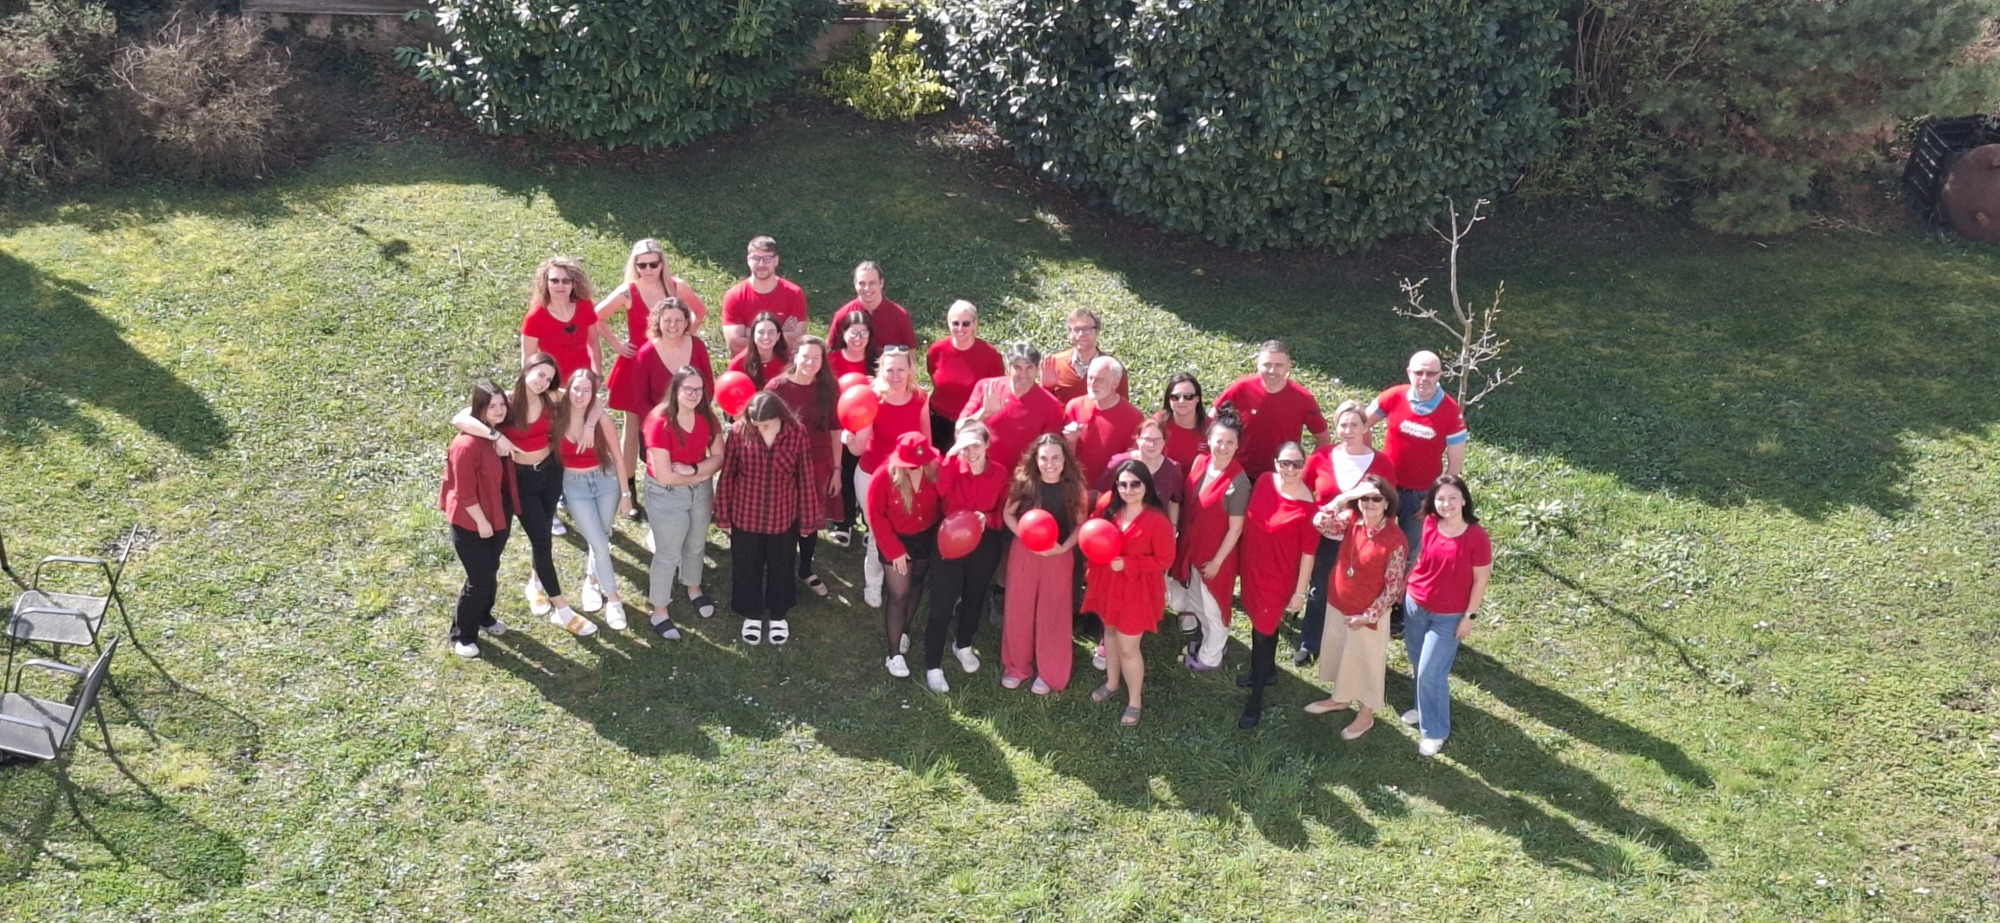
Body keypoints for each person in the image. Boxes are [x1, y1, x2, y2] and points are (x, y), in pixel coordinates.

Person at [453, 354, 594, 636]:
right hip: (521, 482)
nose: (543, 382)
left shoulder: (551, 397)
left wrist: (590, 425)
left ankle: (536, 584)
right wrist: (496, 436)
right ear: (526, 369)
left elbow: (592, 398)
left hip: (550, 474)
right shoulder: (504, 402)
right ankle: (562, 610)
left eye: (548, 378)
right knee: (542, 541)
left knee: (543, 533)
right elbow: (458, 418)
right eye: (539, 374)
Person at [1303, 474, 1407, 740]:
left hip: (1367, 614)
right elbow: (1320, 522)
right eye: (1364, 498)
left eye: (1376, 499)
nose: (1369, 503)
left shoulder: (1395, 539)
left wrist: (1368, 616)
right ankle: (1340, 698)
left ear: (1387, 503)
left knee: (1367, 663)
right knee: (1340, 653)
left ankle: (1366, 714)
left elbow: (1392, 587)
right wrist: (1344, 498)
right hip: (1339, 603)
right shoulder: (1352, 520)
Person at [713, 393, 822, 646]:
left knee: (782, 566)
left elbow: (805, 477)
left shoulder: (797, 433)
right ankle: (750, 613)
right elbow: (728, 474)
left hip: (782, 515)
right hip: (745, 513)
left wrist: (808, 519)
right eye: (756, 424)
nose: (760, 429)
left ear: (779, 416)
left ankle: (778, 614)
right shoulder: (739, 431)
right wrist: (723, 515)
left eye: (766, 425)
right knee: (745, 565)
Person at [1295, 400, 1397, 665]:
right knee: (1319, 590)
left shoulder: (1382, 463)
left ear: (1365, 427)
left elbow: (1389, 505)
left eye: (1354, 425)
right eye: (1343, 425)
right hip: (1325, 539)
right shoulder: (1322, 456)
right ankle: (1310, 643)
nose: (1348, 430)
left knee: (1354, 593)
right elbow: (1303, 491)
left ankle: (1347, 644)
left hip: (1361, 542)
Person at [603, 242, 709, 498]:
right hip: (637, 363)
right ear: (635, 266)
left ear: (662, 263)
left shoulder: (676, 286)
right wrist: (617, 345)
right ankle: (628, 486)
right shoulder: (628, 291)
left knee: (682, 419)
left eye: (653, 263)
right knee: (632, 427)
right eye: (642, 265)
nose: (648, 269)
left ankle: (679, 476)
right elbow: (594, 316)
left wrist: (684, 336)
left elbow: (700, 311)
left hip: (674, 363)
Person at [1399, 475, 1491, 757]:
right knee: (1418, 663)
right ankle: (1422, 707)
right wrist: (1405, 586)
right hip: (1416, 604)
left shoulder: (1476, 536)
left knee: (1431, 671)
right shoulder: (1429, 523)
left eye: (1453, 497)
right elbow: (1421, 559)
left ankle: (1435, 731)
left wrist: (1469, 617)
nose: (1446, 504)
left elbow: (1480, 581)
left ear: (1464, 500)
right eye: (1440, 498)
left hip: (1449, 616)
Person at [1082, 460, 1175, 727]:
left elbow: (1166, 559)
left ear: (1146, 486)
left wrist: (1129, 564)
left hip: (1137, 591)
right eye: (1123, 484)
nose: (1128, 489)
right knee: (1109, 634)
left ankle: (1135, 701)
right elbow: (1093, 534)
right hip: (1110, 585)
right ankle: (1112, 683)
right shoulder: (1111, 508)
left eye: (1135, 484)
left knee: (1128, 648)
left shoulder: (1157, 520)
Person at [1233, 441, 1319, 729]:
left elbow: (1308, 554)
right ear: (1275, 463)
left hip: (1277, 579)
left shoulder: (1308, 507)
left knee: (1262, 632)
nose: (1290, 469)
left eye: (1296, 464)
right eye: (1285, 463)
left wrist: (1299, 593)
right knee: (1260, 626)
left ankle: (1255, 699)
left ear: (1304, 466)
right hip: (1252, 570)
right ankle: (1265, 672)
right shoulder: (1265, 483)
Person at [921, 420, 1008, 692]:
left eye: (976, 445)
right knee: (942, 602)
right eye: (965, 447)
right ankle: (933, 665)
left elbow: (1004, 512)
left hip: (984, 541)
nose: (971, 453)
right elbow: (941, 491)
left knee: (975, 595)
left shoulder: (999, 473)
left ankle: (963, 643)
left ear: (987, 445)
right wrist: (951, 455)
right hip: (950, 539)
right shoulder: (953, 468)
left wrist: (987, 518)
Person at [642, 365, 725, 639]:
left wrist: (694, 470)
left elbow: (719, 457)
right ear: (675, 389)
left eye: (698, 390)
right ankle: (659, 611)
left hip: (699, 490)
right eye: (687, 388)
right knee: (668, 553)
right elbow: (665, 474)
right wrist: (700, 475)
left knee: (696, 544)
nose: (693, 394)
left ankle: (693, 587)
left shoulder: (707, 417)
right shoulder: (659, 421)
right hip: (666, 494)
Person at [1001, 434, 1087, 694]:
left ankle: (1050, 672)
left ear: (1065, 460)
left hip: (1058, 554)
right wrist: (1024, 534)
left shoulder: (1075, 488)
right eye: (1044, 458)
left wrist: (1064, 547)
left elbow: (1081, 525)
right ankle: (1017, 666)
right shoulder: (1025, 483)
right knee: (1019, 609)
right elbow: (1008, 513)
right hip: (1025, 553)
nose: (1050, 464)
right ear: (1035, 460)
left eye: (1055, 458)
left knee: (1054, 612)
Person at [439, 382, 520, 657]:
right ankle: (462, 635)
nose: (499, 411)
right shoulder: (465, 445)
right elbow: (464, 494)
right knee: (479, 577)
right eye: (491, 406)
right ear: (479, 409)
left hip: (498, 513)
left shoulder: (496, 432)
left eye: (501, 405)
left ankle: (484, 617)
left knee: (490, 569)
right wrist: (482, 522)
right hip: (472, 521)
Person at [845, 347, 931, 608]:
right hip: (872, 476)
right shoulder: (872, 399)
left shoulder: (920, 397)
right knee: (878, 532)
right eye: (889, 370)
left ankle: (897, 576)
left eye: (900, 370)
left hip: (905, 478)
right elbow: (858, 449)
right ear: (881, 370)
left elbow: (925, 442)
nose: (895, 376)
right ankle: (873, 582)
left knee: (898, 529)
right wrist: (850, 438)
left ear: (910, 370)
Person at [1368, 350, 1469, 560]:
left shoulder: (1451, 412)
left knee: (1408, 551)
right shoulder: (1394, 396)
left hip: (1420, 496)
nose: (1424, 378)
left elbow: (1455, 464)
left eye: (1431, 373)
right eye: (1419, 372)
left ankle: (1403, 582)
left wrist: (1435, 498)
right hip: (1386, 486)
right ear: (1409, 372)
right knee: (1374, 543)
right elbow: (1360, 424)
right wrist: (1369, 461)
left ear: (1440, 374)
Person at [1169, 411, 1249, 667]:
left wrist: (1217, 561)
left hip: (1215, 555)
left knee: (1215, 607)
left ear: (1237, 445)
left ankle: (1211, 657)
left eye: (1230, 442)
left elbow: (1235, 529)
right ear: (1209, 439)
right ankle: (1209, 641)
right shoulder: (1200, 462)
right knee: (1196, 599)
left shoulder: (1239, 482)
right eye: (1219, 440)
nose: (1223, 447)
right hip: (1193, 548)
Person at [765, 336, 843, 598]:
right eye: (806, 356)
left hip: (818, 465)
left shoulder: (828, 389)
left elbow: (835, 431)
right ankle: (783, 569)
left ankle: (805, 569)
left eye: (816, 358)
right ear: (795, 356)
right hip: (785, 467)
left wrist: (837, 470)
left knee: (810, 521)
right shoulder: (777, 388)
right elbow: (764, 429)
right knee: (785, 521)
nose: (810, 362)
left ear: (823, 362)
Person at [558, 368, 635, 630]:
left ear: (593, 394)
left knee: (601, 535)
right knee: (599, 543)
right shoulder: (556, 415)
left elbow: (619, 458)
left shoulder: (603, 421)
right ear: (568, 389)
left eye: (586, 391)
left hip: (605, 482)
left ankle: (591, 580)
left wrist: (625, 495)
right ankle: (613, 599)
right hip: (575, 486)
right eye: (576, 389)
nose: (580, 395)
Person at [866, 433, 942, 678]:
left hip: (926, 536)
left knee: (916, 583)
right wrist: (894, 550)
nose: (915, 468)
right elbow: (876, 516)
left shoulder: (936, 468)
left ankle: (905, 631)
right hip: (895, 538)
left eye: (919, 464)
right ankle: (893, 654)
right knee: (899, 593)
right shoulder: (883, 477)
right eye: (910, 465)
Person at [1212, 340, 1330, 477]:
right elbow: (1211, 417)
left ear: (1289, 366)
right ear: (1257, 364)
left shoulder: (1303, 398)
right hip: (1238, 472)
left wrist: (1304, 471)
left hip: (1280, 476)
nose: (1272, 371)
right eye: (1267, 364)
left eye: (1279, 365)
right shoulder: (1242, 388)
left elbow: (1323, 439)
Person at [959, 341, 1065, 474]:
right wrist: (984, 413)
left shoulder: (1051, 404)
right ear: (1008, 367)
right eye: (1017, 367)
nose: (1023, 374)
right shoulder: (986, 388)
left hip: (1022, 477)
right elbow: (960, 428)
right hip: (982, 473)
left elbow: (1050, 449)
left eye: (1029, 367)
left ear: (1037, 369)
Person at [827, 312, 880, 546]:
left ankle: (870, 524)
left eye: (863, 333)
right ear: (844, 333)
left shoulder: (878, 362)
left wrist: (878, 385)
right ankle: (844, 521)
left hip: (871, 428)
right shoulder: (831, 359)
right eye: (853, 332)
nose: (858, 338)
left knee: (869, 475)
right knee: (845, 472)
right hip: (840, 426)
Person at [1062, 356, 1146, 501]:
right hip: (1073, 493)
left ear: (1115, 383)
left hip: (1111, 497)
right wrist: (1071, 442)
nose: (1092, 384)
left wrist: (1103, 494)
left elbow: (1131, 465)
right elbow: (1060, 456)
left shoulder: (1134, 417)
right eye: (1090, 378)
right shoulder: (1074, 407)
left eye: (1099, 380)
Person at [924, 300, 1004, 449]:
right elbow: (933, 375)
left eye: (966, 324)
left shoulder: (990, 355)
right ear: (948, 323)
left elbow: (997, 392)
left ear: (975, 324)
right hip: (938, 421)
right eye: (955, 323)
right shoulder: (936, 350)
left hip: (973, 424)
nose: (960, 329)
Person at [519, 257, 612, 382]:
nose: (560, 286)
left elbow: (593, 343)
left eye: (566, 281)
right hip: (552, 384)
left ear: (574, 283)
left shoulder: (585, 306)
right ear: (545, 283)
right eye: (554, 281)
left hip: (583, 383)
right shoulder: (534, 317)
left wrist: (597, 376)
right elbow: (528, 359)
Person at [720, 236, 807, 355]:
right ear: (748, 260)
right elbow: (736, 346)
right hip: (748, 364)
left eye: (767, 259)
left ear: (776, 261)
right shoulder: (734, 296)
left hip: (784, 365)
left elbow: (795, 342)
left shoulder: (794, 294)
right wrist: (779, 333)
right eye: (756, 258)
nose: (761, 264)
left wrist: (750, 333)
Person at [1092, 418, 1183, 524]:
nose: (1151, 445)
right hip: (1118, 527)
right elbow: (1102, 496)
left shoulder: (1172, 469)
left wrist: (1173, 526)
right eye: (1147, 439)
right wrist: (1100, 523)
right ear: (1138, 439)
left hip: (1155, 528)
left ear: (1164, 442)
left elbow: (1174, 501)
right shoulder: (1119, 463)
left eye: (1157, 440)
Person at [1039, 308, 1130, 404]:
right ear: (1069, 334)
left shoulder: (1112, 368)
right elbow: (1041, 404)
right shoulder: (1054, 363)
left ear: (1097, 332)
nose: (1081, 334)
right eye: (1076, 329)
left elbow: (1122, 406)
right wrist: (1046, 387)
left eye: (1087, 329)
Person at [826, 261, 917, 351]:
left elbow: (910, 355)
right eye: (862, 283)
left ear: (881, 283)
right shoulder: (843, 316)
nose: (867, 288)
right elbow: (831, 353)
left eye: (872, 283)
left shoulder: (900, 315)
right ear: (855, 284)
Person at [1156, 372, 1209, 475]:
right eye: (1175, 397)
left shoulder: (1211, 428)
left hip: (1199, 483)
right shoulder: (1159, 422)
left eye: (1188, 396)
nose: (1181, 401)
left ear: (1197, 399)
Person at [728, 312, 792, 390]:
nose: (766, 337)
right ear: (753, 335)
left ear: (778, 336)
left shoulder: (788, 361)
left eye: (771, 332)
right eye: (761, 332)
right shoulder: (738, 364)